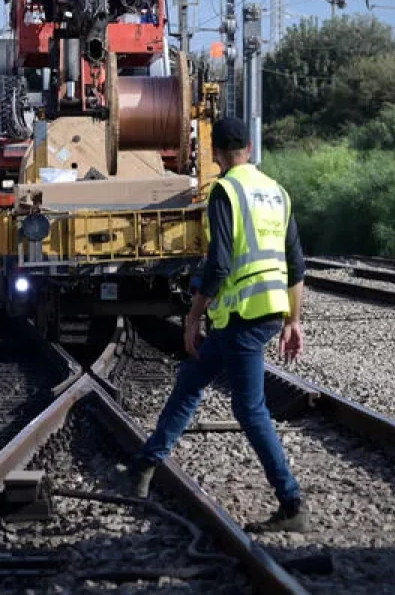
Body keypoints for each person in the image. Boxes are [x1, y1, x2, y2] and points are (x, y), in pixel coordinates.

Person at [131, 116, 309, 533]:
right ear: (249, 147)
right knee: (191, 379)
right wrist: (293, 320)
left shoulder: (226, 190)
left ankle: (292, 502)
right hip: (260, 313)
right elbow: (297, 264)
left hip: (243, 316)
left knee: (250, 409)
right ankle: (146, 465)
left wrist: (192, 317)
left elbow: (220, 264)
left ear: (215, 152)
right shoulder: (276, 192)